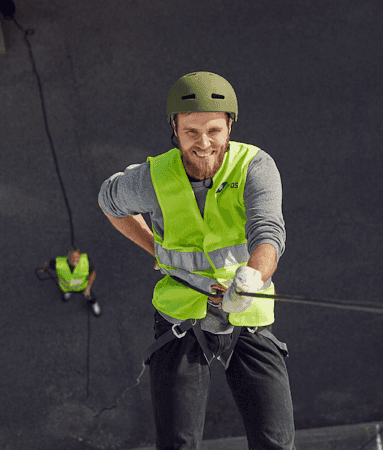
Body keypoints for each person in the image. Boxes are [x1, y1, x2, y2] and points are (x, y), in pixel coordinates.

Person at [98, 71, 295, 449]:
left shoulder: (255, 166)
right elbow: (109, 201)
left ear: (229, 126)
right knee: (177, 445)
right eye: (191, 131)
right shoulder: (153, 179)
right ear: (174, 127)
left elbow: (268, 232)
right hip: (181, 312)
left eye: (214, 131)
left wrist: (251, 279)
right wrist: (153, 247)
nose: (204, 144)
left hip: (246, 309)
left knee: (277, 444)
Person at [43, 247, 101, 316]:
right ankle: (68, 293)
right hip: (66, 287)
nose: (75, 260)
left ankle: (94, 303)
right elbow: (49, 265)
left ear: (80, 256)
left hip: (82, 288)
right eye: (72, 257)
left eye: (77, 257)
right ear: (68, 256)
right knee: (67, 290)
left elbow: (93, 274)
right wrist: (44, 268)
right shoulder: (58, 262)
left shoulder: (86, 262)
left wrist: (88, 287)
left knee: (91, 296)